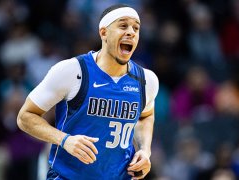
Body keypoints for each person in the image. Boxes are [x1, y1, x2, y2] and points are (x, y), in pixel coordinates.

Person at [17, 4, 159, 180]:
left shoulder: (146, 80)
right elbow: (25, 116)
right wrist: (65, 140)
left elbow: (146, 116)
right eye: (123, 25)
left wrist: (145, 150)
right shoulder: (72, 71)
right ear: (103, 33)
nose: (131, 32)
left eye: (136, 28)